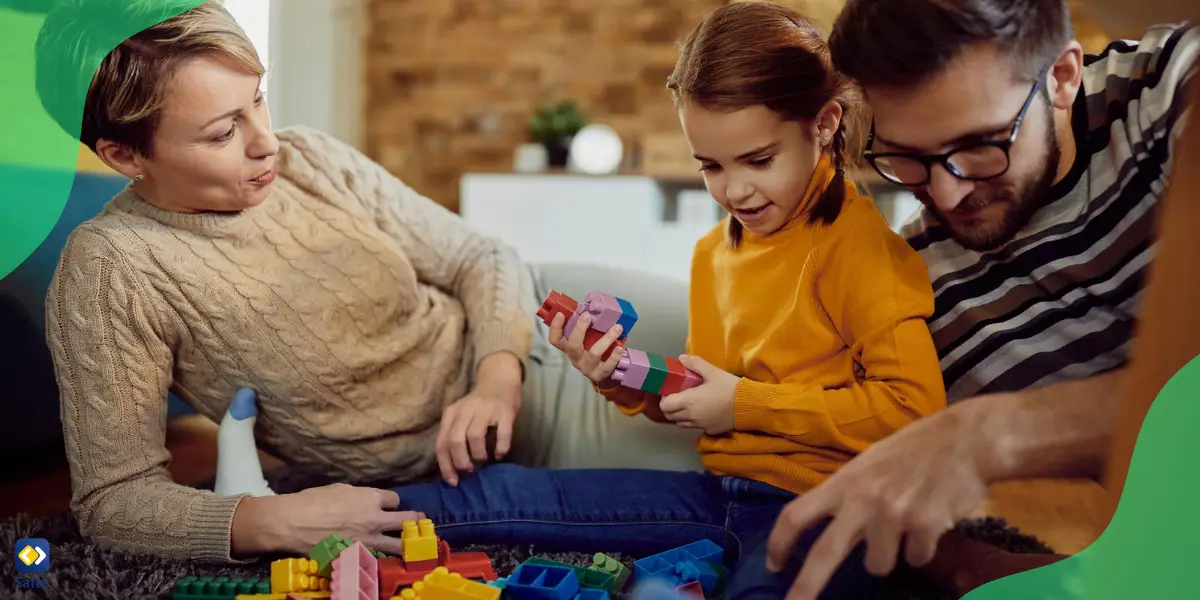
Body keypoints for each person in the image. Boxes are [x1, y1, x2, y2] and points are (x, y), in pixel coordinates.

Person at [33, 0, 703, 562]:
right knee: (758, 477)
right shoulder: (111, 271)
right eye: (220, 133)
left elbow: (482, 257)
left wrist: (499, 375)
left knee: (783, 359)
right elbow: (113, 501)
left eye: (258, 100)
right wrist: (276, 521)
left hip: (539, 324)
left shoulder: (310, 159)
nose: (266, 141)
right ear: (125, 156)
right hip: (490, 464)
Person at [387, 4, 946, 598]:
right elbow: (701, 392)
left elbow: (914, 415)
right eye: (710, 165)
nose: (734, 190)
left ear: (824, 123)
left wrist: (744, 406)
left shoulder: (861, 253)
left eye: (759, 160)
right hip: (719, 492)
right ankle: (344, 508)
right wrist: (621, 377)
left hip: (827, 503)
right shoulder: (715, 251)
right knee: (506, 496)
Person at [764, 1, 1200, 598]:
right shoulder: (912, 284)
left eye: (979, 146)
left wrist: (997, 434)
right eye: (908, 159)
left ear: (1062, 76)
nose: (946, 193)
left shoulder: (1175, 93)